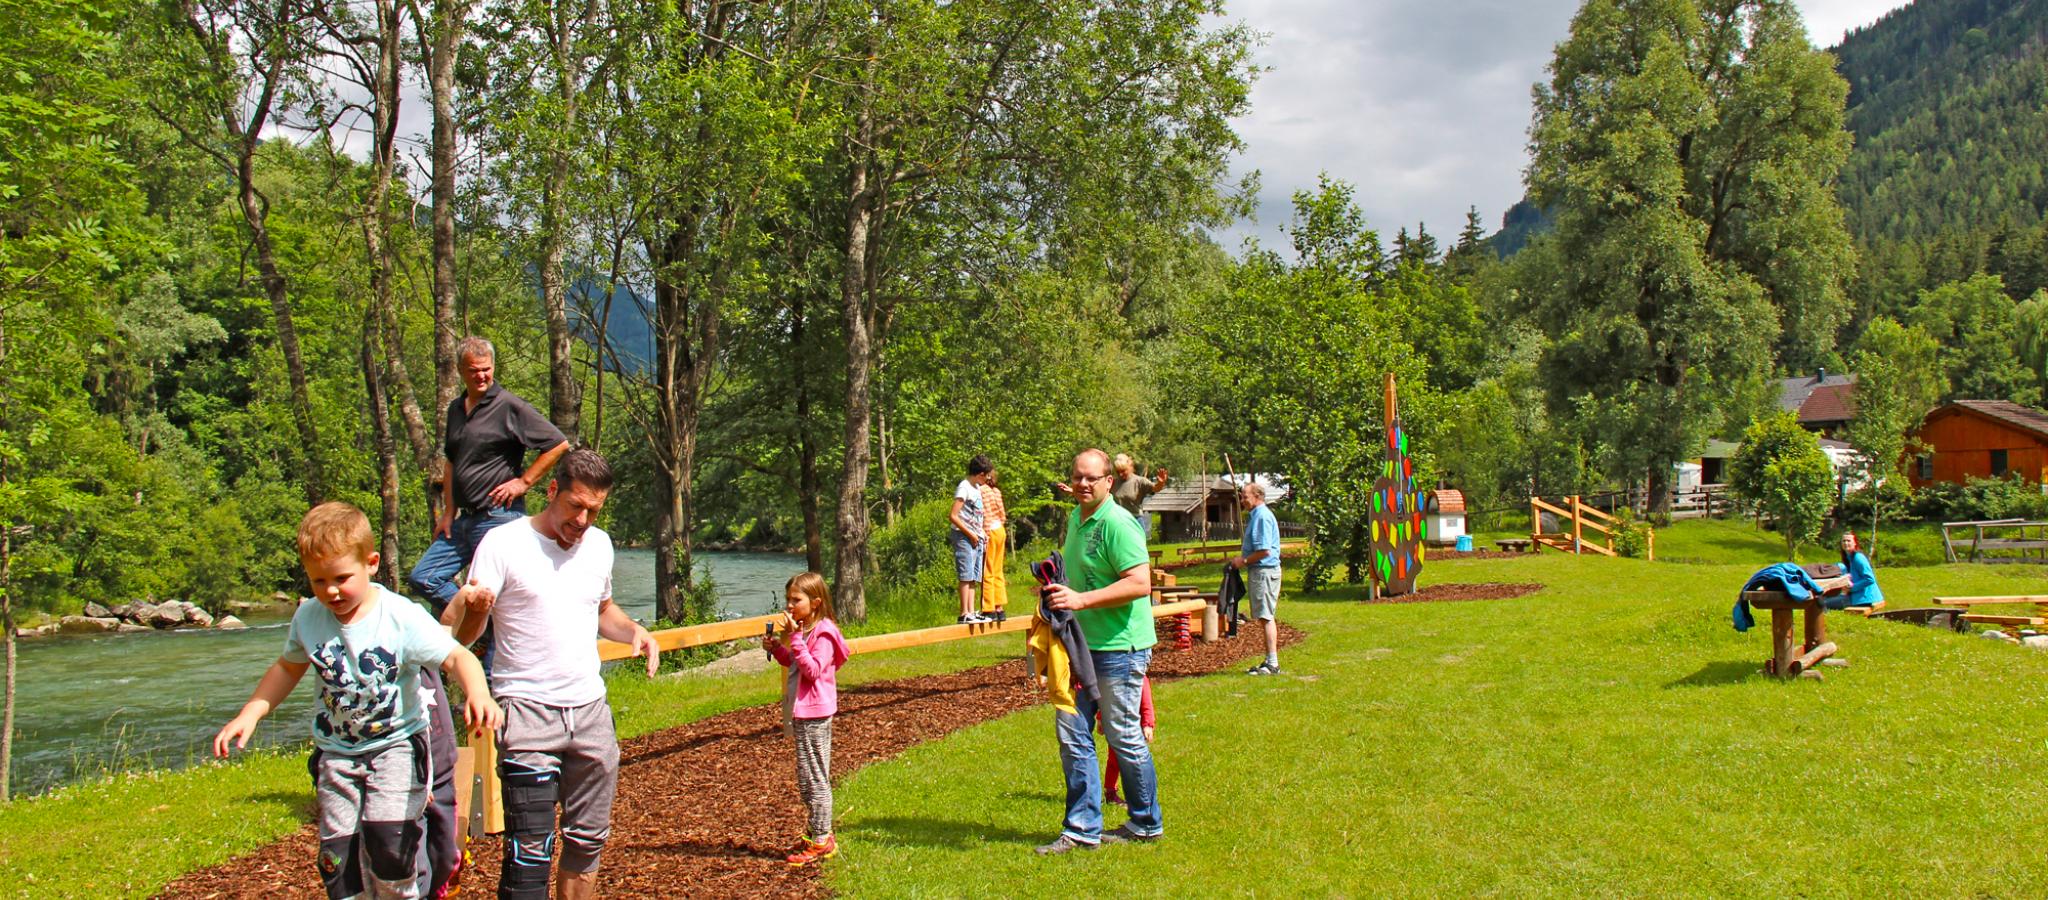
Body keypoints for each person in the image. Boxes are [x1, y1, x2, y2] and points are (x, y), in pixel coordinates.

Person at [214, 502, 501, 900]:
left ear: (371, 563)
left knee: (391, 843)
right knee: (338, 856)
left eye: (341, 578)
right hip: (337, 754)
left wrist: (478, 693)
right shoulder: (308, 618)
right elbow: (287, 667)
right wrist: (252, 711)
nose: (330, 591)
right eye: (318, 581)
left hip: (396, 748)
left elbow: (458, 656)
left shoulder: (400, 616)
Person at [447, 448, 659, 900]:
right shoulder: (503, 545)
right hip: (525, 710)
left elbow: (601, 610)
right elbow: (465, 638)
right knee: (529, 853)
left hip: (589, 713)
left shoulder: (599, 545)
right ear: (552, 490)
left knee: (587, 843)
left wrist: (634, 632)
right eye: (575, 506)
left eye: (594, 510)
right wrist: (475, 609)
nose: (582, 520)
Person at [404, 336, 568, 895]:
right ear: (461, 371)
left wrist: (524, 481)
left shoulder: (510, 406)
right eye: (473, 370)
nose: (481, 376)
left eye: (487, 368)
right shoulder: (457, 409)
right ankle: (461, 645)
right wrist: (445, 513)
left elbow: (558, 443)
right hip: (464, 519)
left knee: (495, 594)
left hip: (501, 519)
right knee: (423, 578)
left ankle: (486, 658)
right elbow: (451, 464)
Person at [1037, 448, 1161, 855]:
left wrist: (1081, 600)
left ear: (1110, 482)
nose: (1083, 484)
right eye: (1077, 477)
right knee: (1072, 733)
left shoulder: (1118, 523)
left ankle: (1145, 822)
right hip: (1081, 648)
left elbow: (1140, 583)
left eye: (1092, 478)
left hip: (1120, 648)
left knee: (1123, 735)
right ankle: (1082, 828)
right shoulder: (1076, 518)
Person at [765, 572, 851, 866]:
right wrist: (778, 648)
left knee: (815, 779)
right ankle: (817, 830)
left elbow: (813, 670)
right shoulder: (808, 629)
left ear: (815, 602)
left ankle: (822, 839)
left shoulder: (823, 633)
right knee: (807, 778)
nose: (789, 605)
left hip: (816, 713)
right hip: (804, 712)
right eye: (788, 599)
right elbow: (795, 662)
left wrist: (797, 639)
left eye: (795, 600)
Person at [1227, 481, 1284, 675]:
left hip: (1264, 572)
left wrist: (1241, 561)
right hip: (1261, 572)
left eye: (1244, 496)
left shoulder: (1261, 517)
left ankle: (1273, 663)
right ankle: (1269, 660)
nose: (1242, 500)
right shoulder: (1257, 516)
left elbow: (1264, 551)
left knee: (1266, 617)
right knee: (1263, 616)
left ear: (1257, 496)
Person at [949, 455, 995, 624]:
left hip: (976, 537)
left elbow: (976, 516)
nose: (989, 478)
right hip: (963, 537)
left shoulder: (976, 488)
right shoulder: (964, 487)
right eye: (987, 475)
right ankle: (964, 613)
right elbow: (953, 516)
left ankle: (971, 611)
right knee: (965, 575)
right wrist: (970, 534)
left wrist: (981, 533)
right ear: (980, 474)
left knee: (974, 576)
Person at [1102, 675, 1154, 806]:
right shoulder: (1114, 676)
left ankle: (1139, 795)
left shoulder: (1140, 679)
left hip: (1133, 728)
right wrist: (1100, 718)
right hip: (1115, 725)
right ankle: (1110, 793)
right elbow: (1106, 699)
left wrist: (1147, 724)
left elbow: (1146, 703)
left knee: (1134, 762)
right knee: (1114, 761)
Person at [1109, 454, 1169, 539]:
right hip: (1118, 522)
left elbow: (1156, 488)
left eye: (1123, 471)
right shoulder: (1113, 483)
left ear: (1130, 467)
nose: (1121, 474)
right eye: (1118, 472)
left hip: (1135, 520)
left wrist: (1161, 483)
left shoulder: (1140, 481)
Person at [980, 470, 1010, 622]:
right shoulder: (996, 491)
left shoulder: (982, 490)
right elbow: (1002, 514)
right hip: (1000, 530)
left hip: (990, 530)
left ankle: (988, 608)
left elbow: (985, 515)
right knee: (998, 570)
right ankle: (1000, 608)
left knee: (988, 570)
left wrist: (985, 534)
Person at [1832, 531, 1885, 610]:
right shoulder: (1848, 558)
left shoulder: (1858, 557)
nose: (1846, 543)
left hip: (1865, 599)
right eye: (1844, 541)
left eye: (1849, 541)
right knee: (1826, 600)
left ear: (1855, 543)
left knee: (1823, 603)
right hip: (1856, 596)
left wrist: (1852, 587)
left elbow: (1870, 579)